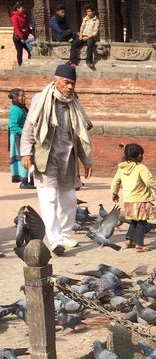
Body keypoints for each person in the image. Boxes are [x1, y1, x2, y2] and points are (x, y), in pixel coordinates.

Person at [20, 63, 93, 255]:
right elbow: (29, 127)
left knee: (69, 198)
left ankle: (65, 235)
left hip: (68, 157)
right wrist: (26, 152)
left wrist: (86, 159)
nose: (70, 87)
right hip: (46, 156)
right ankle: (54, 239)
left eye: (73, 84)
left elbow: (80, 133)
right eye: (67, 83)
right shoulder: (41, 99)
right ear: (56, 80)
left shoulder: (74, 103)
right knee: (49, 197)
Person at [111, 143, 156, 253]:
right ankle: (139, 244)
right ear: (139, 156)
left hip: (128, 199)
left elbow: (116, 181)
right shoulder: (140, 168)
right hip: (141, 198)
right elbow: (148, 181)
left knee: (134, 220)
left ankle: (129, 241)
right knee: (142, 221)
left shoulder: (121, 168)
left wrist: (114, 193)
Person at [8, 88, 32, 188]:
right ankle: (24, 182)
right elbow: (13, 126)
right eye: (21, 95)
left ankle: (27, 180)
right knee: (23, 157)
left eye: (24, 95)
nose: (24, 97)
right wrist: (25, 133)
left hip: (22, 136)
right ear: (15, 98)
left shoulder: (21, 108)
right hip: (18, 137)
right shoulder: (16, 109)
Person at [69, 5, 99, 70]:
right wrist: (80, 35)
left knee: (90, 44)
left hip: (91, 37)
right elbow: (82, 27)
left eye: (89, 11)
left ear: (93, 12)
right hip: (83, 36)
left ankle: (89, 62)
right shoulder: (85, 18)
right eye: (87, 11)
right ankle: (73, 61)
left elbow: (95, 33)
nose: (88, 13)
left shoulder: (96, 20)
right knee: (74, 44)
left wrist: (87, 38)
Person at [11, 2, 31, 66]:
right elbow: (16, 28)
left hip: (25, 37)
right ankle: (20, 66)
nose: (23, 9)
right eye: (22, 8)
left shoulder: (24, 16)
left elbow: (26, 27)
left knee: (30, 51)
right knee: (20, 52)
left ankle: (29, 64)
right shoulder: (14, 17)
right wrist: (21, 37)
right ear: (18, 8)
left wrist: (30, 32)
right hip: (18, 38)